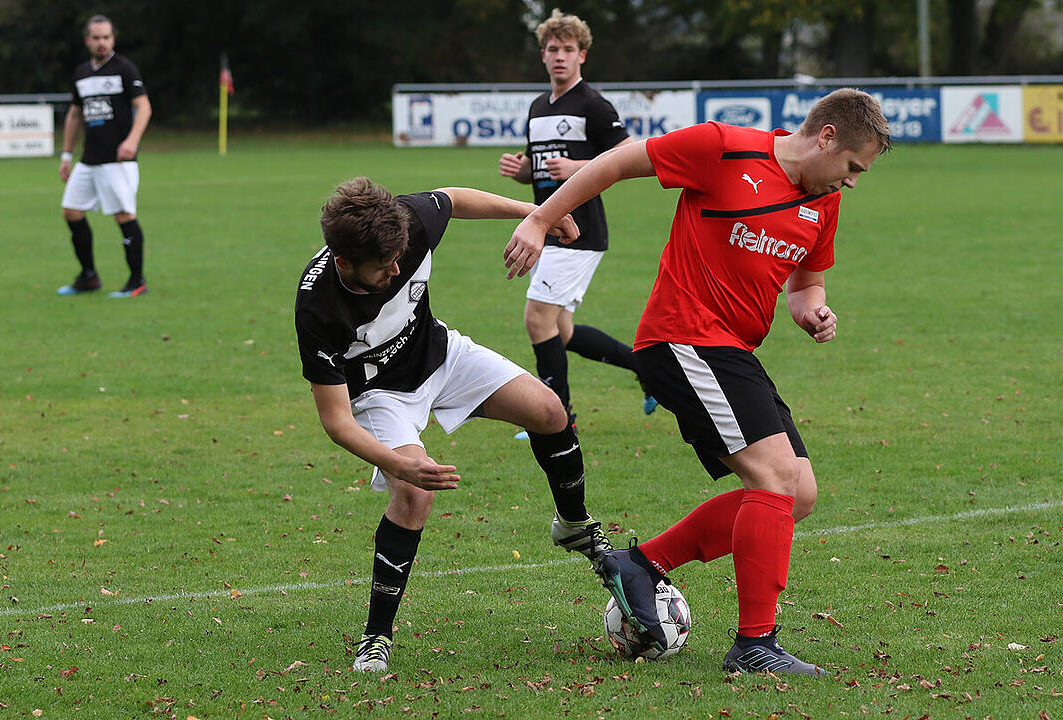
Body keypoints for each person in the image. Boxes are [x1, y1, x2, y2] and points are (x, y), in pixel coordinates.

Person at [505, 89, 891, 674]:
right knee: (776, 478)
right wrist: (539, 217)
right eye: (853, 167)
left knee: (798, 496)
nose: (853, 182)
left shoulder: (824, 202)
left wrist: (814, 310)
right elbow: (618, 161)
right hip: (681, 337)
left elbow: (805, 285)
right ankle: (755, 645)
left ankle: (641, 563)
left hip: (732, 350)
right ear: (827, 137)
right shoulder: (723, 147)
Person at [295, 177, 615, 673]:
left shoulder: (402, 222)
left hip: (440, 354)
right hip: (380, 394)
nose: (398, 270)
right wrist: (400, 464)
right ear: (344, 264)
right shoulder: (318, 307)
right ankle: (375, 636)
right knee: (414, 494)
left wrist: (538, 213)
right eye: (384, 269)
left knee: (550, 412)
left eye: (400, 259)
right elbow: (336, 421)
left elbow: (456, 198)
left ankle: (572, 525)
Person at [498, 9, 654, 438]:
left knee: (537, 320)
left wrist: (578, 166)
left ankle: (556, 417)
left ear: (582, 55)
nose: (560, 57)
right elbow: (543, 170)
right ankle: (646, 369)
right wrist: (523, 170)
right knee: (559, 331)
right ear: (543, 56)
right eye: (553, 49)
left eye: (568, 49)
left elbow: (631, 155)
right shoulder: (537, 106)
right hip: (548, 228)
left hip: (579, 232)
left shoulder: (592, 103)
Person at [57, 14, 151, 298]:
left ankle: (137, 281)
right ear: (87, 40)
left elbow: (144, 107)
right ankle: (88, 276)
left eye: (106, 37)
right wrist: (65, 154)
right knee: (71, 211)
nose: (101, 43)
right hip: (89, 159)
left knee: (123, 215)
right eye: (96, 38)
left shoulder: (124, 69)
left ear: (113, 39)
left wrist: (132, 141)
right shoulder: (82, 73)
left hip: (117, 160)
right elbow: (75, 115)